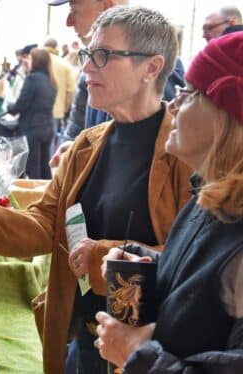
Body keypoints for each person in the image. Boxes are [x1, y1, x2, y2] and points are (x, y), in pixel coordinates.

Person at [0, 7, 193, 374]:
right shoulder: (86, 145)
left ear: (151, 68)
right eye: (88, 54)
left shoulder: (185, 155)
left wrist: (101, 259)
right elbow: (47, 225)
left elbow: (193, 261)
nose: (87, 67)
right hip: (84, 337)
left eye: (103, 56)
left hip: (147, 350)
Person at [96, 32, 243, 373]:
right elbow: (205, 282)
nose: (173, 105)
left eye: (189, 93)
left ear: (227, 117)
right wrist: (145, 261)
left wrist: (141, 357)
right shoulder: (211, 197)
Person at [48, 0, 185, 169]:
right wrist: (78, 149)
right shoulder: (94, 77)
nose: (68, 21)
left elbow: (159, 147)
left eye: (75, 10)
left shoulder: (157, 68)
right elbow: (81, 130)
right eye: (89, 55)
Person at [6, 48, 57, 179]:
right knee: (45, 168)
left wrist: (9, 107)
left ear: (35, 61)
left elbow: (21, 104)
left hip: (32, 128)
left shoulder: (32, 79)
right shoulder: (51, 80)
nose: (27, 61)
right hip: (47, 128)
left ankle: (35, 197)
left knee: (33, 171)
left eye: (30, 58)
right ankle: (47, 196)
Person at [44, 37, 78, 153]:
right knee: (51, 143)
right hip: (56, 110)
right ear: (56, 48)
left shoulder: (36, 61)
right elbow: (71, 89)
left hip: (35, 110)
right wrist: (65, 108)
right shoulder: (64, 64)